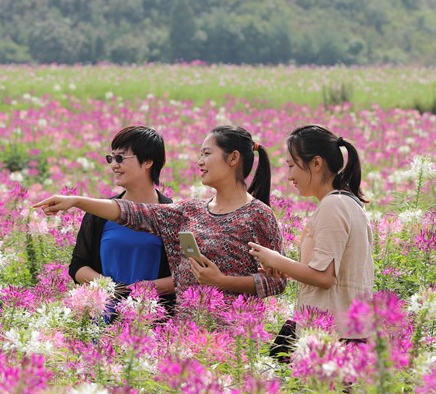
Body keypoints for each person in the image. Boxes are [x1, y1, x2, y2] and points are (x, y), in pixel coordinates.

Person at [36, 125, 285, 307]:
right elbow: (134, 212)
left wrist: (222, 281)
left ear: (233, 158)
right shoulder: (191, 210)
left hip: (236, 333)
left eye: (207, 154)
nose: (199, 161)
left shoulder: (258, 215)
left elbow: (277, 282)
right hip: (185, 334)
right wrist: (77, 201)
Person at [247, 124, 374, 357]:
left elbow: (324, 278)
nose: (290, 175)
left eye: (292, 165)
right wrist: (284, 269)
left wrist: (275, 258)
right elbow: (332, 273)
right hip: (345, 331)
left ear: (316, 163)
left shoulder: (333, 205)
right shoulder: (348, 203)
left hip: (331, 337)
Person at [68, 126, 176, 315]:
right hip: (104, 319)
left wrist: (145, 289)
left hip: (153, 320)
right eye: (111, 158)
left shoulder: (171, 214)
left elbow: (186, 277)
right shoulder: (100, 212)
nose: (114, 165)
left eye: (121, 158)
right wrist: (110, 287)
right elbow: (78, 266)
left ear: (148, 161)